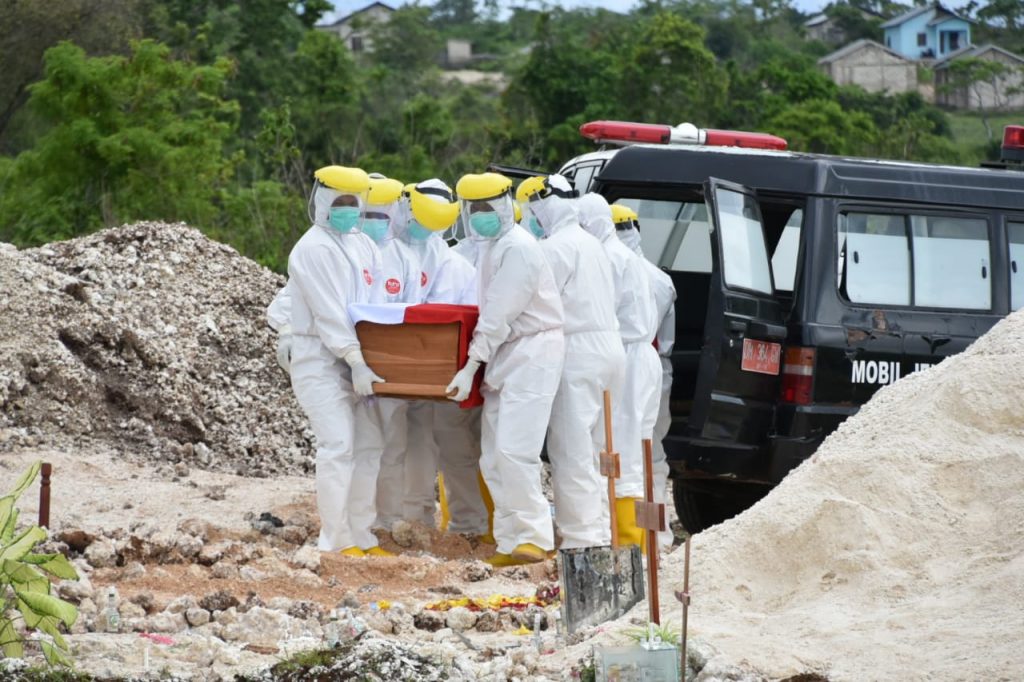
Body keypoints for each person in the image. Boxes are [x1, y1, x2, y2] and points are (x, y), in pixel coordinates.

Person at [445, 172, 565, 566]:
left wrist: (471, 365)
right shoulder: (492, 248)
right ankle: (510, 540)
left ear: (504, 204)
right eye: (473, 208)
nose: (480, 215)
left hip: (531, 354)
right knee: (493, 456)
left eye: (487, 207)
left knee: (516, 451)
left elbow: (498, 313)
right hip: (507, 356)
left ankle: (533, 537)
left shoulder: (518, 248)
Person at [284, 165, 391, 557]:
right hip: (321, 359)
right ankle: (335, 539)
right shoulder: (311, 249)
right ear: (324, 202)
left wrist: (374, 355)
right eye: (340, 202)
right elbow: (329, 313)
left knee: (369, 445)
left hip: (360, 357)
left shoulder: (362, 243)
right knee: (338, 445)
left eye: (353, 202)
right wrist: (354, 358)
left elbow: (375, 305)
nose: (348, 209)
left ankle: (362, 534)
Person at [515, 175, 625, 550]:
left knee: (572, 449)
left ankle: (580, 540)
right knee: (598, 450)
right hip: (611, 347)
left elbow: (537, 303)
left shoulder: (555, 248)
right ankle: (600, 532)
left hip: (577, 351)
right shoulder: (593, 243)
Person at [576, 193, 660, 549]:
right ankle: (642, 541)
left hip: (627, 355)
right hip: (642, 357)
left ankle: (627, 541)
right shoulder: (628, 256)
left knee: (621, 451)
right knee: (639, 451)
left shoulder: (607, 258)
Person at [355, 176, 421, 546]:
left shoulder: (405, 260)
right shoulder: (345, 250)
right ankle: (355, 523)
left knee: (393, 447)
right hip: (349, 362)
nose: (377, 221)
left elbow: (414, 313)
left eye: (384, 214)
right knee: (358, 448)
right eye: (371, 214)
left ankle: (388, 520)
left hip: (392, 365)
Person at [612, 204, 677, 550]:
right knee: (651, 453)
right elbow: (665, 339)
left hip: (627, 366)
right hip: (656, 369)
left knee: (618, 451)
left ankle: (624, 529)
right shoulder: (660, 278)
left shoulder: (610, 268)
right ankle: (656, 534)